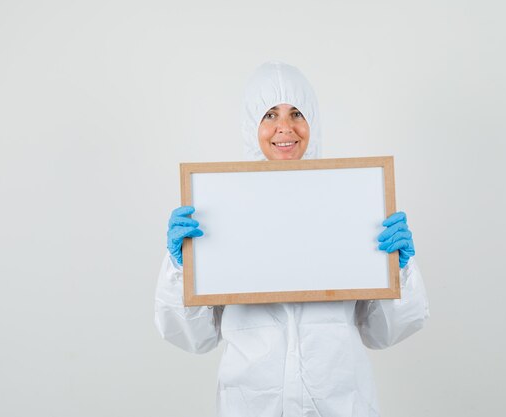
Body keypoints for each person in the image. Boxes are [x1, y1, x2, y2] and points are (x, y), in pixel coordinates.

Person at [155, 61, 429, 417]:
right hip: (250, 405)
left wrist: (399, 270)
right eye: (269, 114)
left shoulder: (351, 203)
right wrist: (180, 268)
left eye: (296, 112)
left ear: (312, 121)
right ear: (250, 125)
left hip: (340, 404)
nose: (284, 127)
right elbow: (196, 337)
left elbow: (383, 332)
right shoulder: (219, 210)